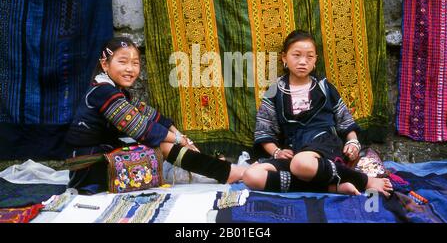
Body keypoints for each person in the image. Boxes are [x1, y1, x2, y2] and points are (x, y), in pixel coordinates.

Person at [65, 37, 246, 194]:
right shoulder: (104, 92)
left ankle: (221, 170)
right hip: (89, 170)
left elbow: (151, 115)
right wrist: (179, 140)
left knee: (163, 142)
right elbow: (140, 128)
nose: (130, 69)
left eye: (135, 63)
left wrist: (182, 137)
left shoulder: (116, 91)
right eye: (123, 62)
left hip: (103, 158)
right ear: (105, 64)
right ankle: (225, 172)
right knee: (161, 145)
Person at [242, 31, 393, 197]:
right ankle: (333, 188)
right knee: (251, 176)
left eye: (309, 57)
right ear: (284, 58)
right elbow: (264, 131)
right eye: (296, 55)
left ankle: (365, 180)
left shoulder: (324, 87)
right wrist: (277, 152)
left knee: (301, 164)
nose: (302, 62)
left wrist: (353, 142)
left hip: (324, 143)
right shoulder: (274, 91)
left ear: (315, 60)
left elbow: (345, 120)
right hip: (294, 149)